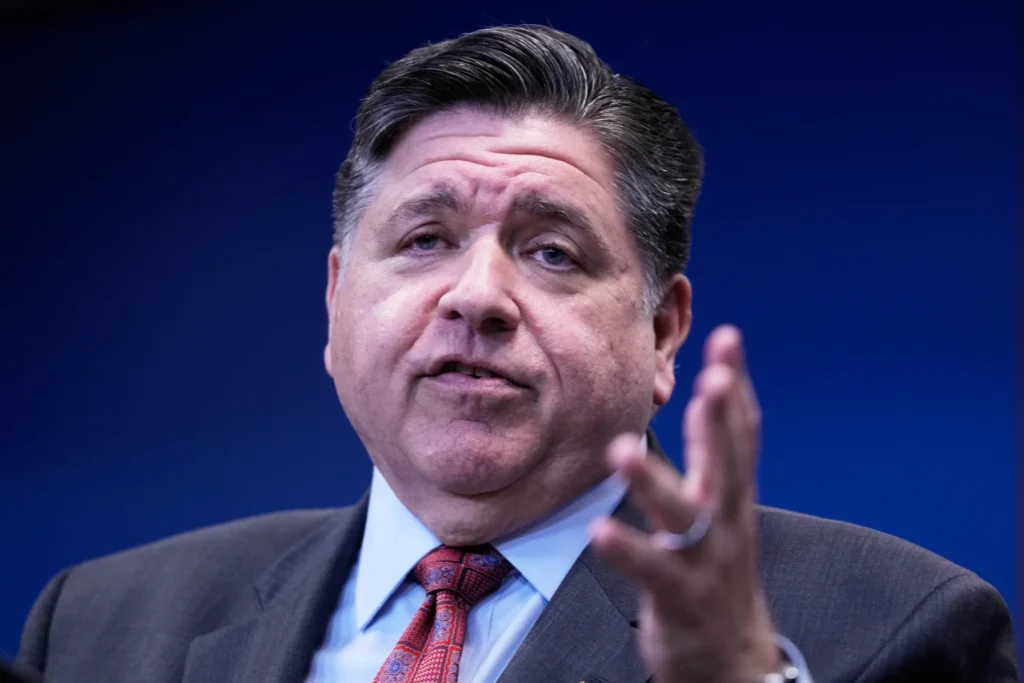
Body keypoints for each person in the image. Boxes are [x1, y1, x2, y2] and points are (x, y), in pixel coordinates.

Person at [16, 24, 1017, 683]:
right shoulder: (97, 625)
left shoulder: (900, 624)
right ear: (334, 301)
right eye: (424, 240)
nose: (478, 295)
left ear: (661, 332)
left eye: (551, 252)